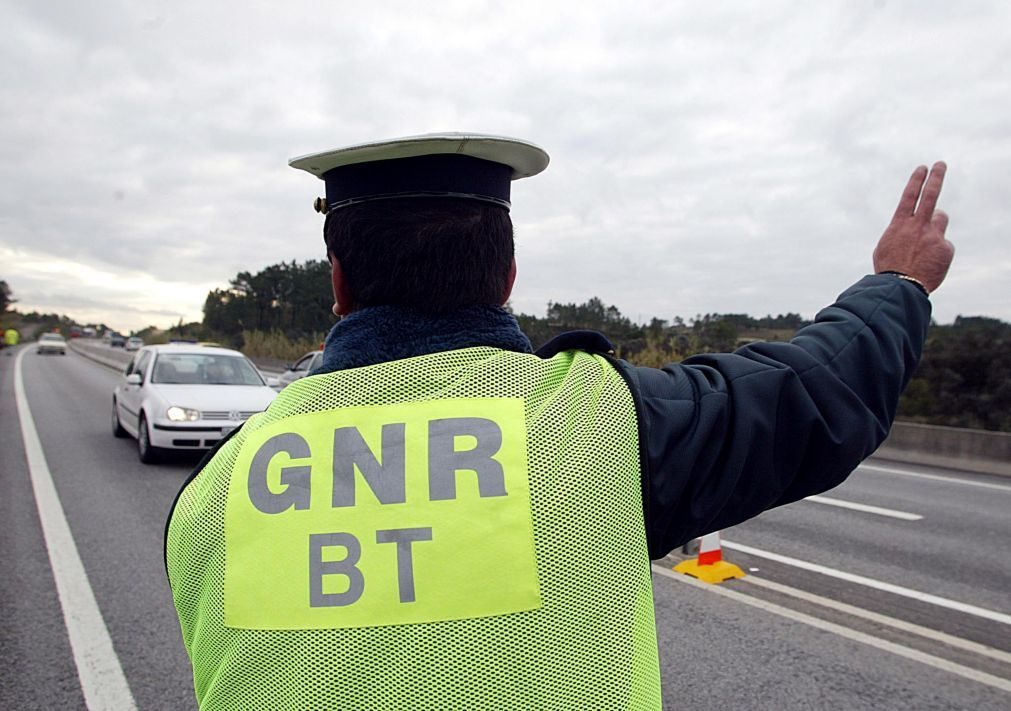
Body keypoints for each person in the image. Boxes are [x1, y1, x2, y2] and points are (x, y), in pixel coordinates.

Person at [165, 133, 953, 709]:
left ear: (337, 282)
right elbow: (812, 390)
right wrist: (897, 283)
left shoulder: (213, 492)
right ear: (507, 275)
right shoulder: (601, 424)